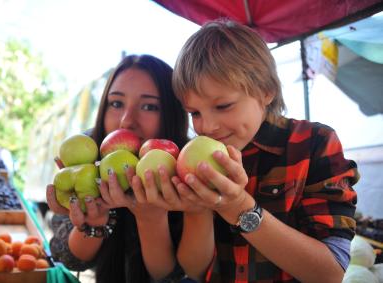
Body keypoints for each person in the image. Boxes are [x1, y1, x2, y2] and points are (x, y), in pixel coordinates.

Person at [146, 19, 358, 283]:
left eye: (223, 106)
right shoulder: (194, 159)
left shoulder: (314, 143)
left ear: (266, 91)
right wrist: (197, 209)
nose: (207, 127)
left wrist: (239, 207)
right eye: (195, 113)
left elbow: (329, 272)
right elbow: (196, 270)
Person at [46, 54, 189, 283]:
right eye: (116, 103)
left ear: (171, 113)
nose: (126, 121)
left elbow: (174, 277)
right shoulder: (89, 161)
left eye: (149, 106)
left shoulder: (186, 174)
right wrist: (94, 222)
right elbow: (69, 259)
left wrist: (150, 218)